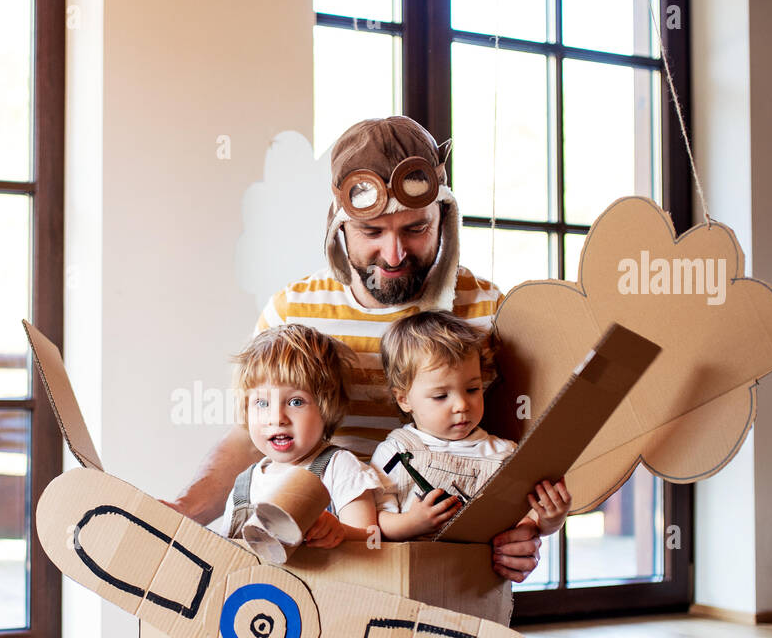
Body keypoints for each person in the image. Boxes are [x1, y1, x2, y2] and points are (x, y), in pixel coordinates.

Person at [166, 114, 543, 581]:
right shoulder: (293, 310)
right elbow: (252, 435)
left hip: (447, 560)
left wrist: (522, 533)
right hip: (322, 555)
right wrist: (182, 511)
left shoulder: (487, 307)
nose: (394, 254)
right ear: (339, 225)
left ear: (443, 217)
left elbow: (517, 450)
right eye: (372, 232)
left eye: (415, 229)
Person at [372, 310, 571, 541]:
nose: (461, 405)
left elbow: (526, 523)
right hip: (417, 572)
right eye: (440, 396)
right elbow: (375, 521)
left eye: (472, 390)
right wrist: (412, 523)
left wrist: (551, 519)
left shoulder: (506, 455)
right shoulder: (394, 451)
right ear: (403, 399)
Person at [222, 324, 393, 549]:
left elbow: (373, 539)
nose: (277, 418)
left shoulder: (338, 468)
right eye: (262, 403)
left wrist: (342, 532)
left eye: (296, 402)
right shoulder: (243, 487)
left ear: (325, 408)